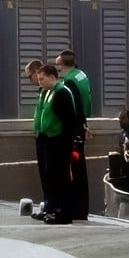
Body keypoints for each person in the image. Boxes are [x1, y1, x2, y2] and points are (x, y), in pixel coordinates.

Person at [29, 61, 81, 224]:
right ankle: (51, 207)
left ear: (53, 77)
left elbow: (69, 120)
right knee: (48, 176)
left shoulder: (62, 92)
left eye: (43, 79)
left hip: (58, 140)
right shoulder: (47, 92)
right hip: (46, 139)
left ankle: (63, 211)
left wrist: (67, 141)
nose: (40, 82)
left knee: (60, 176)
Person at [54, 51, 92, 220]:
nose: (57, 69)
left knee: (74, 171)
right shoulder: (81, 75)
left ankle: (76, 208)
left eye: (58, 65)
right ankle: (81, 208)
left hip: (73, 130)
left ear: (63, 64)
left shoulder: (69, 81)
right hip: (82, 126)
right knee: (80, 169)